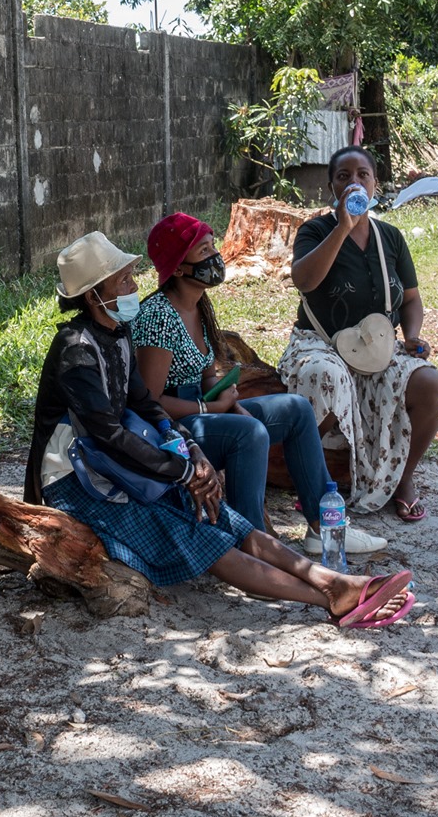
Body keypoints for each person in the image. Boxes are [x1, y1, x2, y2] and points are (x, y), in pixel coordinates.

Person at [25, 230, 413, 629]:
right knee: (191, 529)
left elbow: (143, 403)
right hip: (76, 480)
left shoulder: (115, 333)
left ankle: (331, 579)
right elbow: (105, 434)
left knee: (220, 516)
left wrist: (190, 451)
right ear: (94, 295)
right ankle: (329, 598)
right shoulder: (77, 350)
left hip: (114, 463)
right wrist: (183, 471)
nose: (133, 287)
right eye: (123, 280)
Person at [130, 212, 345, 555]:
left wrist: (231, 401)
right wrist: (211, 408)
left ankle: (323, 528)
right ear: (179, 266)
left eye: (212, 246)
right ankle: (252, 543)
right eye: (203, 251)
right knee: (250, 433)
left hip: (205, 411)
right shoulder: (159, 315)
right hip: (171, 429)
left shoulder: (197, 305)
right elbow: (148, 401)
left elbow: (205, 373)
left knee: (296, 408)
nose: (215, 257)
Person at [279, 147, 438, 540]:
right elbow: (304, 281)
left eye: (363, 175)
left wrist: (413, 336)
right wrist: (342, 227)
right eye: (344, 176)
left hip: (379, 346)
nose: (354, 182)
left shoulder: (390, 237)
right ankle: (312, 481)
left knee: (429, 383)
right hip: (321, 343)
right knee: (324, 375)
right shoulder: (315, 231)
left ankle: (403, 480)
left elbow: (410, 298)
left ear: (375, 183)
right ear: (331, 186)